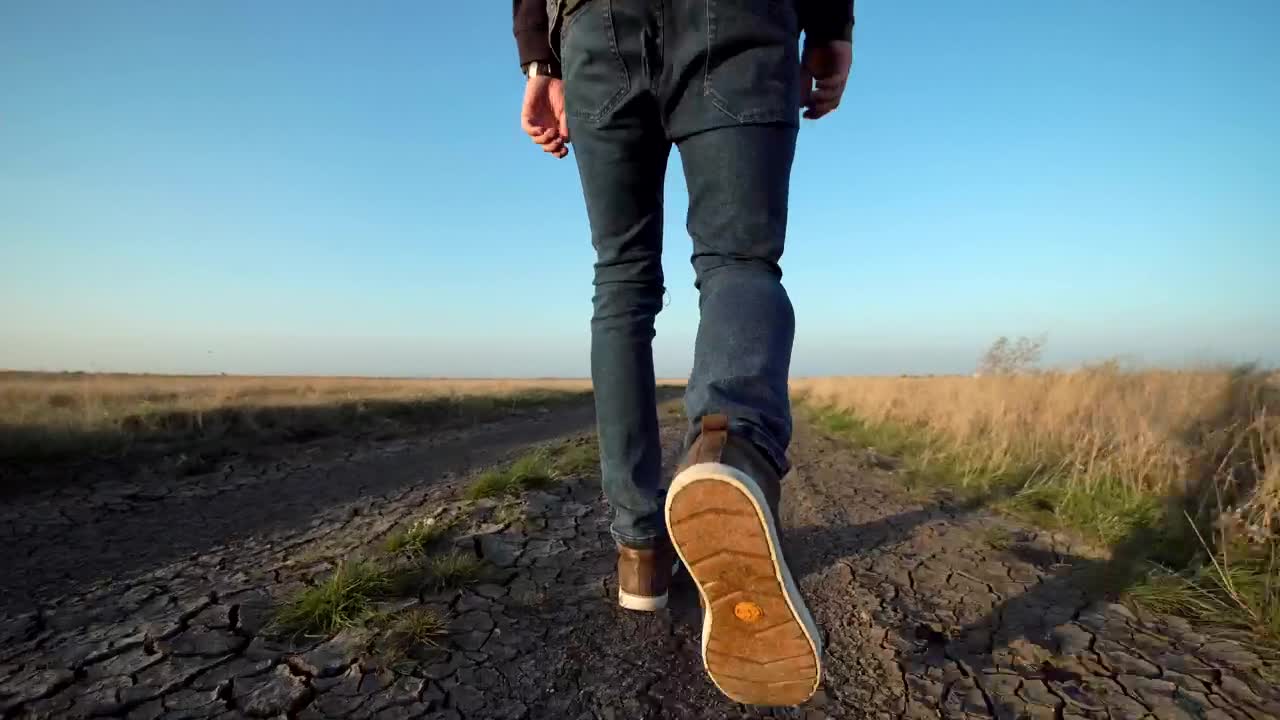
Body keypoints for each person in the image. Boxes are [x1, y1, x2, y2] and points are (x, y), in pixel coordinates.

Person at [512, 0, 853, 707]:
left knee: (622, 282)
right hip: (739, 17)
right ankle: (729, 448)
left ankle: (639, 549)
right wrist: (830, 29)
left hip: (592, 24)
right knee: (738, 260)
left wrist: (538, 57)